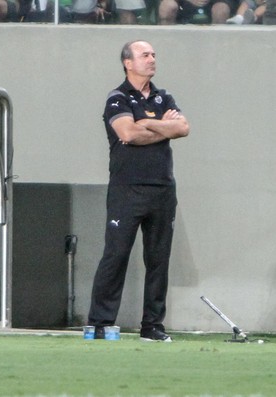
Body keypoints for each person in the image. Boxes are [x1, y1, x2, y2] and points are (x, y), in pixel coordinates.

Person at [87, 40, 190, 342]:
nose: (152, 59)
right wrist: (161, 127)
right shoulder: (117, 98)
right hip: (127, 189)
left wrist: (147, 121)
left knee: (158, 260)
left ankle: (153, 327)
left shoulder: (163, 96)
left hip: (162, 189)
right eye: (145, 55)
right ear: (128, 63)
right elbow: (127, 133)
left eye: (154, 54)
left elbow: (183, 128)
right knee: (116, 255)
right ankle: (100, 323)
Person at [157, 0, 239, 24]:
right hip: (183, 4)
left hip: (214, 4)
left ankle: (218, 46)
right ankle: (167, 41)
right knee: (167, 6)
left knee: (221, 10)